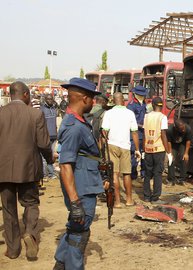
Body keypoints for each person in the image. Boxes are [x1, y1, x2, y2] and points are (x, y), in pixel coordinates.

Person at [53, 78, 103, 270]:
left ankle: (60, 263)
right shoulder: (74, 127)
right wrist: (75, 203)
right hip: (81, 190)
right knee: (79, 234)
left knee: (75, 228)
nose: (94, 103)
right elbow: (65, 165)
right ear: (84, 99)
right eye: (92, 99)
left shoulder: (79, 122)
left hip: (85, 184)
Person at [0, 81, 54, 260]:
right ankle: (30, 233)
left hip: (4, 170)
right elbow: (44, 143)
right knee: (30, 204)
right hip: (29, 169)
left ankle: (13, 249)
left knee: (8, 209)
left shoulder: (1, 113)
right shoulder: (35, 114)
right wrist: (49, 158)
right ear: (24, 94)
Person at [101, 92, 140, 207]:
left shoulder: (108, 113)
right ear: (123, 100)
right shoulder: (130, 113)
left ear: (112, 101)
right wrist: (137, 149)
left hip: (112, 145)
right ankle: (129, 200)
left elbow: (104, 132)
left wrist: (103, 148)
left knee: (114, 174)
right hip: (125, 146)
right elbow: (134, 132)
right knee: (126, 173)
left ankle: (117, 202)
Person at [143, 97, 171, 203]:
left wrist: (143, 149)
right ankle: (155, 197)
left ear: (152, 105)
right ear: (161, 105)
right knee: (157, 173)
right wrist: (168, 152)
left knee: (147, 173)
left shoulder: (146, 116)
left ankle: (146, 196)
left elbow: (145, 133)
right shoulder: (162, 117)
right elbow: (163, 135)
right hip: (159, 149)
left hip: (148, 148)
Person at [127, 85, 147, 181]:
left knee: (144, 155)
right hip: (134, 134)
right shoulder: (131, 105)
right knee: (134, 155)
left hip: (144, 134)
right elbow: (130, 121)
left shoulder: (144, 103)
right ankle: (133, 175)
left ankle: (143, 174)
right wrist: (141, 126)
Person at [166, 118, 193, 185]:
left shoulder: (188, 128)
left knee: (184, 158)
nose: (183, 130)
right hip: (172, 143)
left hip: (182, 143)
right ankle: (171, 180)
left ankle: (182, 179)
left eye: (183, 128)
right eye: (181, 129)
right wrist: (170, 153)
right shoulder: (169, 130)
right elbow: (168, 142)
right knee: (171, 160)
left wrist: (186, 153)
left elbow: (188, 141)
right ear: (176, 128)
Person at [40, 94, 59, 180]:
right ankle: (44, 175)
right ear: (45, 100)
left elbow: (55, 123)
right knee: (44, 156)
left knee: (51, 155)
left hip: (54, 136)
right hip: (46, 136)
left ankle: (51, 174)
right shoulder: (42, 110)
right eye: (48, 99)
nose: (50, 101)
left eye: (51, 99)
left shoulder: (55, 109)